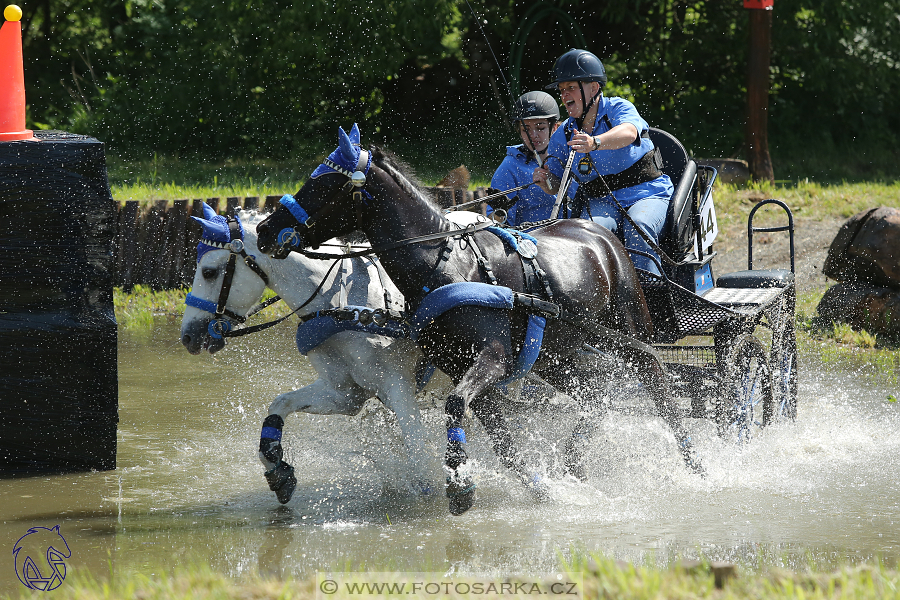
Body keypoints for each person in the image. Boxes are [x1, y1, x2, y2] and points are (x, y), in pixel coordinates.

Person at [533, 48, 672, 276]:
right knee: (587, 234)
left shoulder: (618, 108)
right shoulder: (562, 136)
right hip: (601, 202)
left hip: (646, 193)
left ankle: (651, 296)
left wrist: (594, 142)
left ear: (594, 88)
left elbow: (628, 132)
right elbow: (559, 185)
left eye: (571, 88)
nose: (565, 95)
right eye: (561, 90)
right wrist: (546, 182)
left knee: (638, 227)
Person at [487, 91, 561, 226]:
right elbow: (494, 226)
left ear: (554, 127)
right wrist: (499, 214)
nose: (533, 135)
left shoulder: (568, 159)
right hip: (532, 242)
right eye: (525, 129)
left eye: (540, 128)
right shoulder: (509, 167)